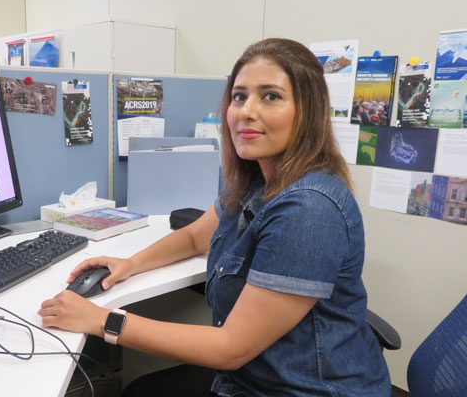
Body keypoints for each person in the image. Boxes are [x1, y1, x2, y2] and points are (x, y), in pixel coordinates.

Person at [38, 38, 391, 396]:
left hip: (301, 388)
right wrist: (129, 264)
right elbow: (195, 237)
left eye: (270, 96)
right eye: (239, 96)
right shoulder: (258, 181)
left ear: (308, 111)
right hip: (256, 374)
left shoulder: (309, 210)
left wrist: (102, 321)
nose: (245, 111)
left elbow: (231, 348)